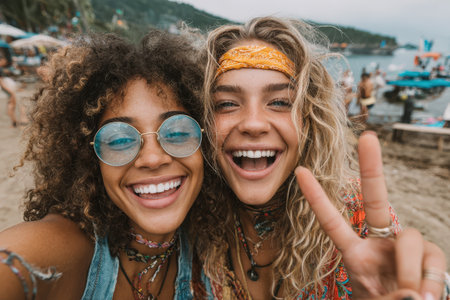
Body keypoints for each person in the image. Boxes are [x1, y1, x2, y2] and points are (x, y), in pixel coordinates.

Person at [195, 16, 448, 299]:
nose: (253, 124)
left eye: (279, 102)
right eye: (227, 104)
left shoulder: (357, 218)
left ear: (309, 120)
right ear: (201, 120)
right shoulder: (190, 222)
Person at [0, 30, 212, 299]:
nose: (153, 158)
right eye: (120, 139)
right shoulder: (62, 251)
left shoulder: (219, 246)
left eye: (178, 131)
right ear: (89, 157)